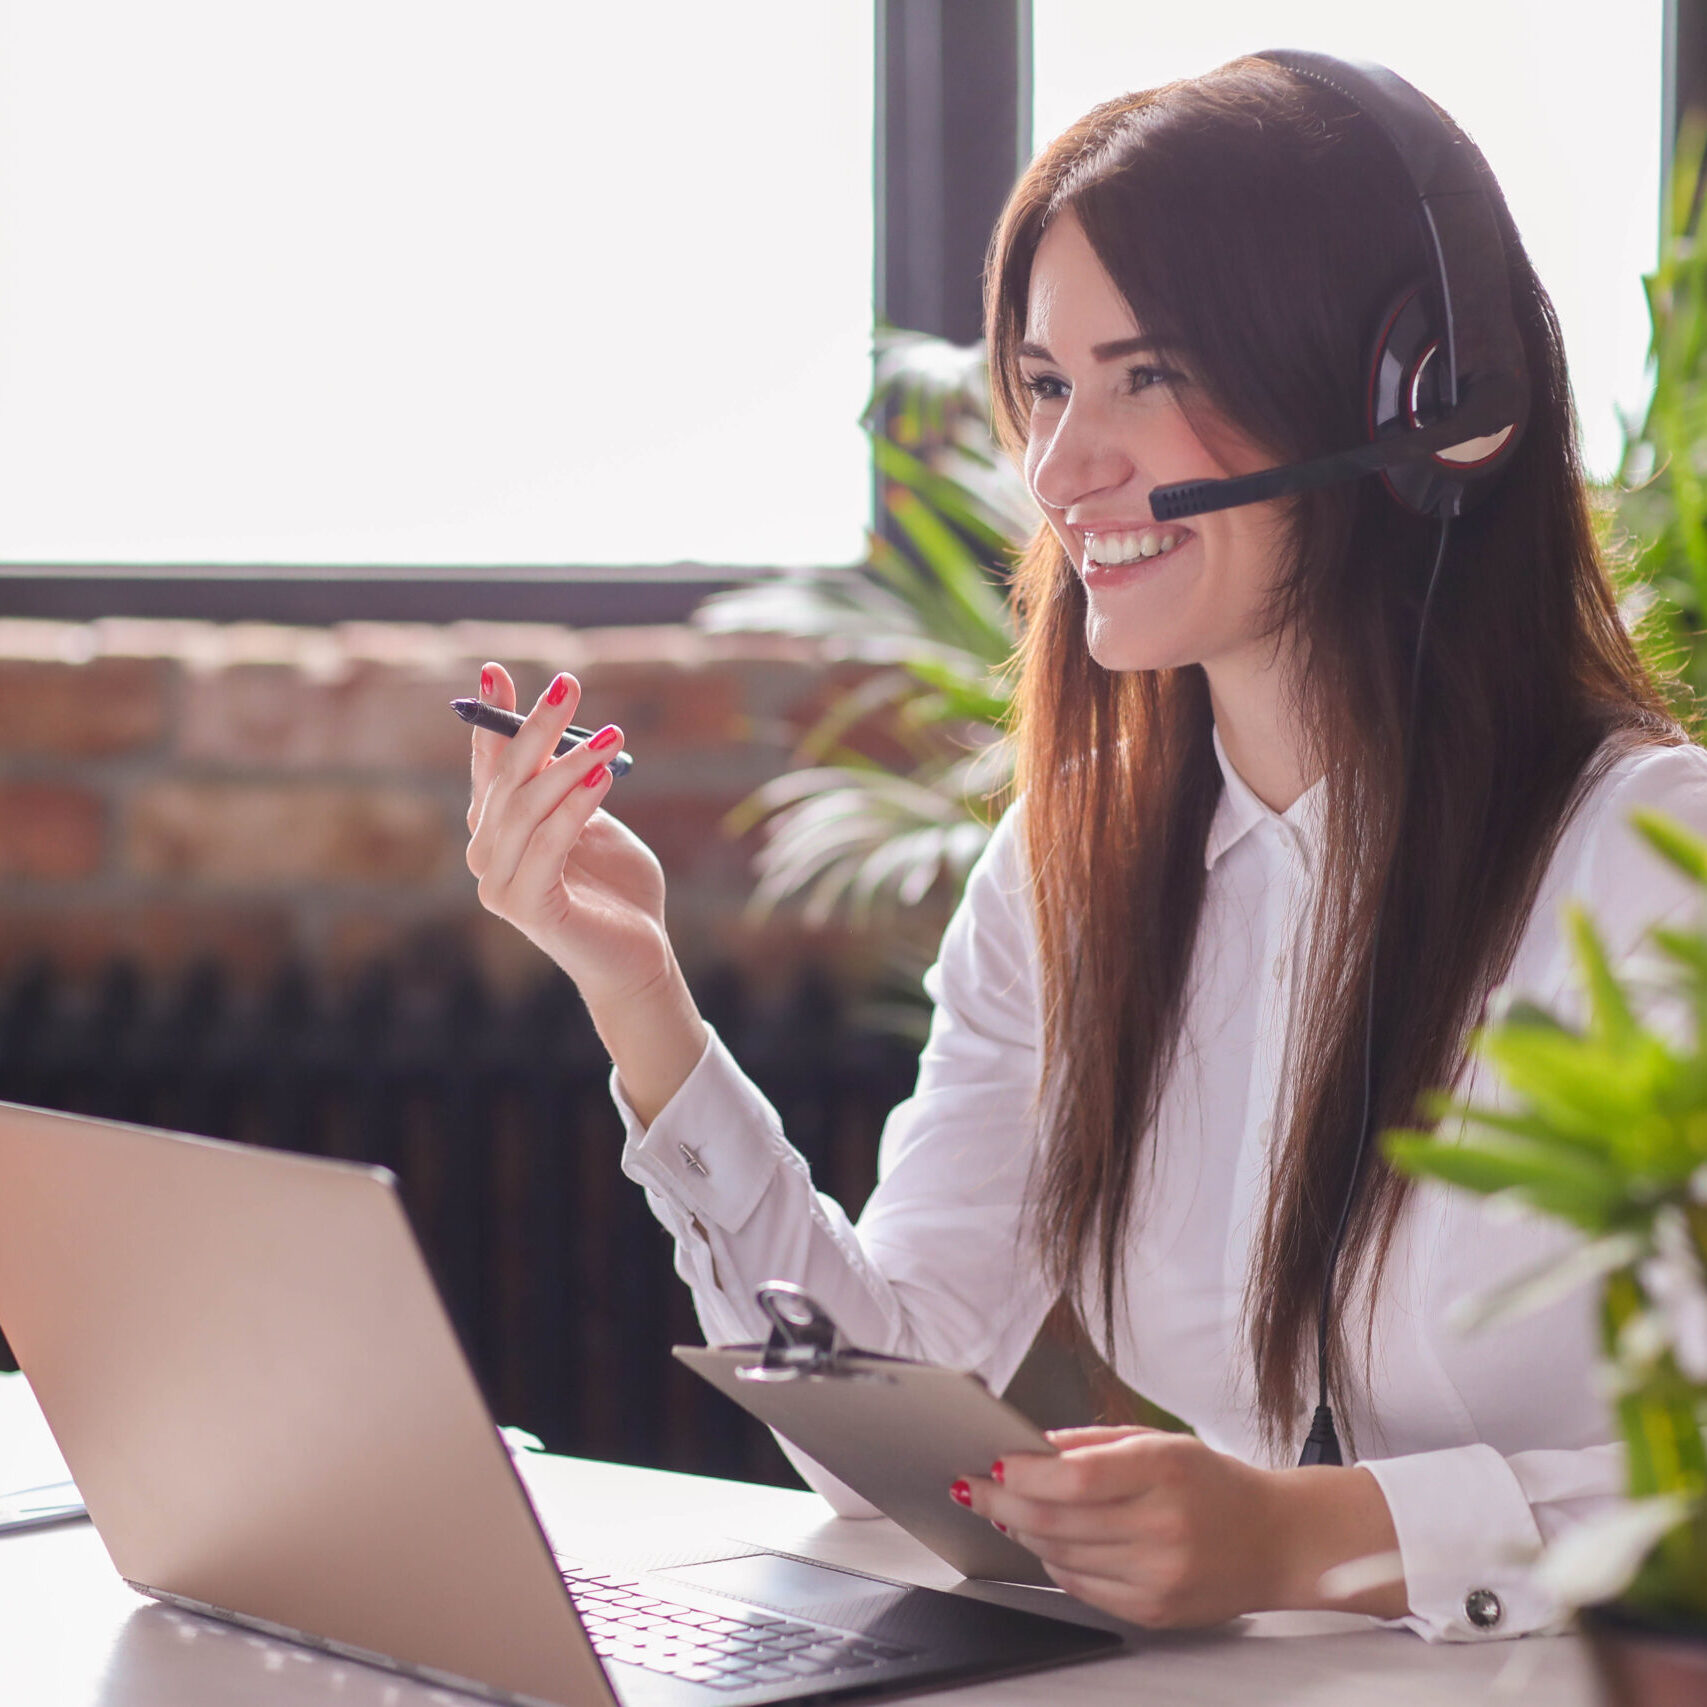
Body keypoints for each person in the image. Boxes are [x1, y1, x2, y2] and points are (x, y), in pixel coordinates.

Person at [464, 55, 1707, 1642]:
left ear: (1415, 409)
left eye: (1148, 374)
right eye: (1048, 385)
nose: (1059, 471)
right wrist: (641, 1002)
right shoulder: (1070, 876)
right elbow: (882, 1419)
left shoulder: (1650, 863)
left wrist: (1316, 1540)